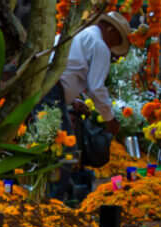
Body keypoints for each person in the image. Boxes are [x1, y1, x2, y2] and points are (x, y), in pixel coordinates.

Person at [57, 10, 132, 197]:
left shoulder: (82, 34)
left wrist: (73, 100)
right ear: (110, 29)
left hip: (52, 92)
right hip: (53, 95)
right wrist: (110, 119)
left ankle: (55, 195)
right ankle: (54, 198)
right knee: (66, 150)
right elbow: (96, 86)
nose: (115, 46)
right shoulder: (100, 44)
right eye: (117, 40)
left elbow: (68, 70)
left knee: (56, 147)